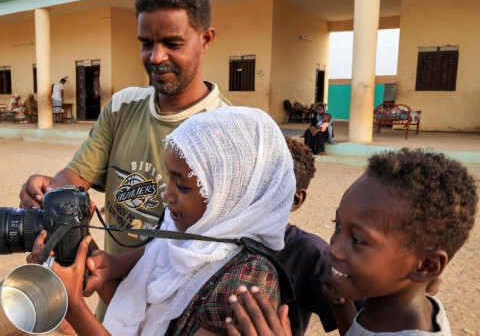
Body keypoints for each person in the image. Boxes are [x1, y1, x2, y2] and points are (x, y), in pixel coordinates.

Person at [32, 106, 296, 336]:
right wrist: (96, 256)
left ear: (229, 195)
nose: (166, 194)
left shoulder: (246, 282)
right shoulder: (185, 227)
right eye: (169, 178)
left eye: (181, 186)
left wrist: (74, 306)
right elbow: (150, 270)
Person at [20, 0, 229, 257]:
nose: (156, 57)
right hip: (112, 296)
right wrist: (53, 194)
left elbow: (211, 244)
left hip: (180, 298)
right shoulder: (123, 105)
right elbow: (78, 174)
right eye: (147, 43)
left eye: (172, 43)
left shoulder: (227, 129)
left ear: (206, 39)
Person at [322, 148, 477, 335]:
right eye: (338, 226)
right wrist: (341, 306)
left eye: (357, 240)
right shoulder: (387, 306)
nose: (334, 249)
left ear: (425, 266)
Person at [265, 137, 339, 336]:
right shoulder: (211, 239)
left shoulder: (310, 252)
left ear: (295, 200)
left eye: (263, 188)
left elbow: (364, 321)